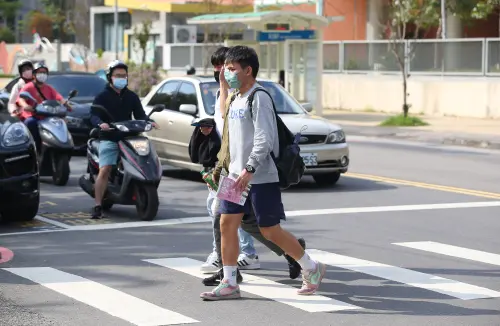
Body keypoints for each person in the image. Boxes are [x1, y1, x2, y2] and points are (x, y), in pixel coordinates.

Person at [200, 46, 326, 301]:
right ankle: (229, 281)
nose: (227, 72)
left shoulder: (259, 97)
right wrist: (221, 169)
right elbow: (227, 131)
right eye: (226, 68)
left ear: (248, 70)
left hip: (259, 176)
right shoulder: (234, 97)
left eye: (232, 69)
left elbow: (264, 137)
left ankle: (311, 267)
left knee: (270, 230)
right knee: (226, 224)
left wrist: (250, 167)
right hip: (233, 175)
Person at [200, 46, 261, 274]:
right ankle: (228, 269)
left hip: (242, 170)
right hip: (229, 166)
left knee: (254, 222)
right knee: (223, 215)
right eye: (219, 68)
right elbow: (225, 133)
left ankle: (293, 253)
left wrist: (249, 168)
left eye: (227, 68)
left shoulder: (251, 96)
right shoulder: (226, 94)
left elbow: (258, 138)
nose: (222, 72)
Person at [89, 60, 158, 219]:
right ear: (110, 77)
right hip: (110, 138)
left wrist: (149, 121)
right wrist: (101, 124)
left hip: (130, 137)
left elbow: (140, 115)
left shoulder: (131, 96)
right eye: (118, 76)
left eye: (124, 76)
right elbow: (93, 115)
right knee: (105, 169)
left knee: (145, 159)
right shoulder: (102, 96)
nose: (122, 78)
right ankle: (98, 205)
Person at [16, 62, 70, 151]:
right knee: (30, 123)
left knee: (61, 123)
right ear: (34, 75)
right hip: (33, 116)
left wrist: (66, 104)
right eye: (40, 72)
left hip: (47, 116)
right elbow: (21, 99)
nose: (42, 75)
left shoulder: (49, 88)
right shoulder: (28, 87)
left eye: (44, 73)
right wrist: (26, 105)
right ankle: (35, 148)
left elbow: (58, 97)